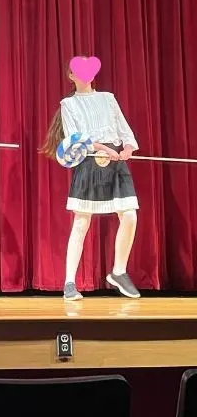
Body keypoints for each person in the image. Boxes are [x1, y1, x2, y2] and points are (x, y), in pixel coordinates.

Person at [40, 57, 140, 301]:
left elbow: (124, 129)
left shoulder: (108, 98)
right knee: (82, 221)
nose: (85, 75)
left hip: (116, 160)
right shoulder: (69, 104)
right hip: (91, 160)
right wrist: (101, 148)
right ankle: (69, 283)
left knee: (129, 215)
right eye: (78, 72)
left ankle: (118, 271)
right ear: (71, 76)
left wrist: (127, 147)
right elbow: (75, 137)